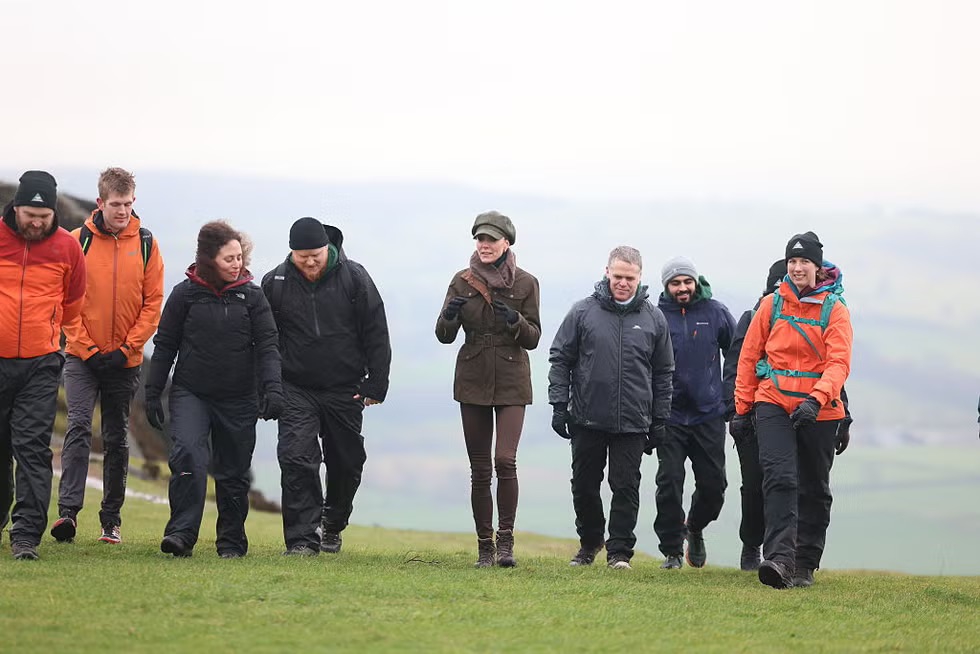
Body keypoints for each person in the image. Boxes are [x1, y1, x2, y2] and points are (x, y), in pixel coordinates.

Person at [145, 221, 282, 558]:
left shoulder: (252, 297)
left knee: (234, 470)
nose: (237, 264)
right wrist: (152, 390)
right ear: (209, 260)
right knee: (188, 456)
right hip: (192, 393)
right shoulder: (185, 294)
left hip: (239, 397)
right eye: (228, 259)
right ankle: (180, 534)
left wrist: (272, 390)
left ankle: (231, 542)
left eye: (239, 257)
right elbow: (165, 345)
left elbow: (268, 346)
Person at [263, 217, 391, 556]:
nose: (309, 262)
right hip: (295, 387)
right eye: (302, 256)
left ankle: (332, 522)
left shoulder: (354, 278)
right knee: (296, 457)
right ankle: (302, 540)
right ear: (292, 253)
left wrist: (376, 384)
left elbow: (376, 331)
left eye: (315, 255)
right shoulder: (275, 283)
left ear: (327, 249)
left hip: (345, 387)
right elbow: (265, 340)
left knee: (346, 461)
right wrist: (268, 385)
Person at [733, 231, 852, 589]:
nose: (798, 268)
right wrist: (742, 409)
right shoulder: (771, 305)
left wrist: (816, 399)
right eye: (793, 261)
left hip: (819, 409)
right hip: (773, 402)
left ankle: (805, 563)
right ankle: (779, 560)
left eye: (804, 261)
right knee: (779, 478)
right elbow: (749, 357)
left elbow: (839, 363)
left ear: (817, 266)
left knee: (814, 486)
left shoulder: (835, 309)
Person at [52, 167, 164, 546]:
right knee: (79, 427)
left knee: (117, 438)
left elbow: (153, 304)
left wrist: (127, 349)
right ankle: (68, 513)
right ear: (101, 202)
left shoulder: (147, 244)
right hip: (81, 358)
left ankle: (110, 521)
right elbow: (65, 302)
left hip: (124, 362)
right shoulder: (77, 241)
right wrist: (87, 348)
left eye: (128, 204)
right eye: (116, 204)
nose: (122, 211)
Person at [549, 246, 674, 570]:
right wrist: (559, 404)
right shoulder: (582, 312)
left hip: (633, 420)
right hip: (587, 417)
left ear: (640, 277)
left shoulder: (654, 318)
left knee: (626, 486)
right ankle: (590, 543)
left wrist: (660, 419)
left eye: (629, 278)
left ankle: (619, 553)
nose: (623, 283)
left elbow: (663, 372)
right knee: (584, 486)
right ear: (607, 272)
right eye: (618, 276)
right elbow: (561, 358)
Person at [435, 211, 541, 568]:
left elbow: (533, 338)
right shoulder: (461, 281)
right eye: (480, 239)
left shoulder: (526, 283)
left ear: (505, 243)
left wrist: (516, 321)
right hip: (472, 377)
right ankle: (485, 548)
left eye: (491, 239)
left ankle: (506, 543)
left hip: (512, 378)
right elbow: (444, 335)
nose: (484, 244)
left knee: (505, 461)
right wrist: (449, 315)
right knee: (480, 469)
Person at [0, 171, 86, 560]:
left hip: (40, 364)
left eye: (44, 216)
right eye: (29, 215)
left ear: (54, 213)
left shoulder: (68, 247)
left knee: (32, 449)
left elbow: (73, 303)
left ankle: (26, 536)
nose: (36, 222)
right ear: (16, 208)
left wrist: (46, 332)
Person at [654, 257, 736, 570]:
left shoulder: (715, 312)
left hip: (709, 414)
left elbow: (737, 354)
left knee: (714, 487)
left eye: (687, 282)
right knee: (669, 483)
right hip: (670, 415)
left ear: (696, 282)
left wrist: (729, 396)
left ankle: (695, 526)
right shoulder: (656, 316)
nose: (682, 288)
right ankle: (672, 551)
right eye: (675, 283)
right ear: (666, 286)